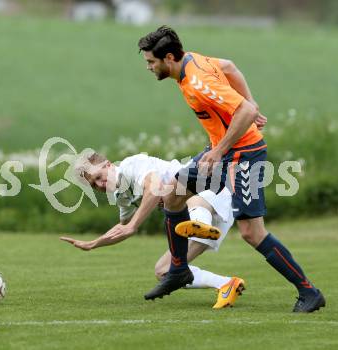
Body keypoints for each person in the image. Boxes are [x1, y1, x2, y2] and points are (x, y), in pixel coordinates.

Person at [133, 26, 325, 313]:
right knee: (172, 194)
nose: (148, 67)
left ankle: (309, 292)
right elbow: (230, 67)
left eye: (151, 62)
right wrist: (249, 102)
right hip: (222, 154)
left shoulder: (197, 82)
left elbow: (245, 111)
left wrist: (223, 145)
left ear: (169, 58)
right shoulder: (190, 62)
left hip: (243, 156)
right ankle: (178, 270)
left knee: (251, 232)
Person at [60, 151, 245, 308]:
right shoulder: (122, 196)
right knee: (164, 271)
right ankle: (226, 284)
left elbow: (154, 188)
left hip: (210, 191)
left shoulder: (131, 164)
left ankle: (199, 223)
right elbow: (123, 227)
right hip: (208, 215)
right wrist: (93, 244)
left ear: (108, 165)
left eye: (99, 177)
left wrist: (134, 226)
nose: (100, 184)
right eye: (93, 184)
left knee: (179, 193)